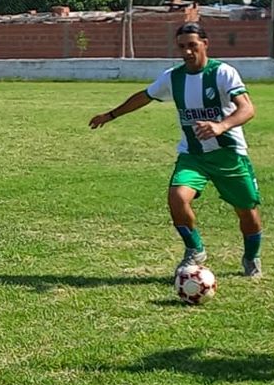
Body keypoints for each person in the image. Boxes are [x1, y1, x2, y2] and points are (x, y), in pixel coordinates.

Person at [89, 22, 264, 277]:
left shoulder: (223, 73)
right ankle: (195, 250)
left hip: (228, 155)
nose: (187, 52)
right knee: (177, 197)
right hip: (192, 156)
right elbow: (145, 96)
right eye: (182, 47)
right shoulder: (174, 77)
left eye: (192, 45)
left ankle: (251, 257)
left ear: (205, 44)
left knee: (247, 211)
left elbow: (247, 108)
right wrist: (111, 115)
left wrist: (220, 126)